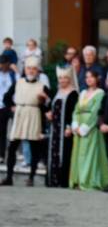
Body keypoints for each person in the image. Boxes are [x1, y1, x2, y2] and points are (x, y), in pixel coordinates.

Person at [1, 56, 49, 186]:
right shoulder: (19, 82)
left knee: (34, 148)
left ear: (37, 70)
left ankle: (31, 177)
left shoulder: (42, 86)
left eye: (34, 69)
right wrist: (11, 107)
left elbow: (48, 107)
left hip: (34, 114)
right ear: (25, 69)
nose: (31, 71)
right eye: (29, 68)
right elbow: (6, 97)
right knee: (12, 147)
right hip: (20, 114)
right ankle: (9, 177)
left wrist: (44, 100)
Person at [69, 70, 108, 190]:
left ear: (97, 79)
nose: (88, 79)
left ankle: (87, 180)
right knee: (78, 153)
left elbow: (95, 112)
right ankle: (77, 179)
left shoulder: (100, 93)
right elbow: (76, 110)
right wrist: (75, 124)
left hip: (90, 128)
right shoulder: (82, 93)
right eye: (87, 77)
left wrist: (85, 128)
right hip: (79, 126)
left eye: (91, 77)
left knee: (89, 154)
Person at [45, 66, 78, 187]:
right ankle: (52, 180)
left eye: (65, 78)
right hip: (55, 128)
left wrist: (69, 127)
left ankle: (62, 181)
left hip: (65, 129)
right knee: (53, 152)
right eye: (60, 78)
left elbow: (74, 111)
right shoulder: (57, 92)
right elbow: (51, 107)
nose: (62, 80)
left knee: (65, 153)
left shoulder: (73, 93)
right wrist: (49, 113)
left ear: (69, 79)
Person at [0, 54, 16, 164]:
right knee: (1, 131)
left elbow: (20, 84)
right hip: (1, 106)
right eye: (1, 64)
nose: (3, 66)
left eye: (5, 64)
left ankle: (13, 153)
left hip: (12, 106)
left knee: (17, 130)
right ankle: (1, 155)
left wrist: (17, 71)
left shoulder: (13, 75)